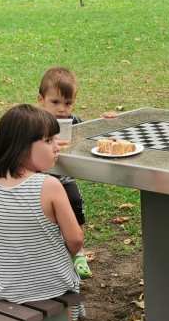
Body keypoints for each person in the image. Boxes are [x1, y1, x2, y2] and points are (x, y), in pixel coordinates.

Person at [0, 104, 96, 321]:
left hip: (6, 283)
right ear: (21, 146)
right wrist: (69, 253)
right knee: (68, 284)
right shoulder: (49, 186)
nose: (57, 146)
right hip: (50, 284)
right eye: (48, 141)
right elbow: (76, 239)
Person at [36, 66, 118, 279]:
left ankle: (77, 250)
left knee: (75, 200)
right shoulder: (34, 122)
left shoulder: (73, 121)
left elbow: (90, 135)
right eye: (55, 102)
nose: (62, 109)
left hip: (63, 179)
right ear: (41, 100)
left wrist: (104, 121)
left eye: (68, 103)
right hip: (37, 181)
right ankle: (47, 251)